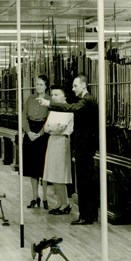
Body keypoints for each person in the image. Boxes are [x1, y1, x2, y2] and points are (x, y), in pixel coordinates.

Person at [39, 74, 98, 225]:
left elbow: (72, 108)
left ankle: (86, 216)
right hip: (83, 147)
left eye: (75, 86)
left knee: (84, 182)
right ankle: (89, 214)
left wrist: (49, 103)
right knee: (85, 181)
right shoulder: (85, 100)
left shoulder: (87, 100)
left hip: (85, 147)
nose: (73, 89)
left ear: (84, 85)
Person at [42, 86, 74, 215]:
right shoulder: (54, 110)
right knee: (52, 174)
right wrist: (51, 128)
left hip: (61, 142)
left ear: (64, 96)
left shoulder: (68, 110)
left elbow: (60, 129)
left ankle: (65, 204)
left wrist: (52, 128)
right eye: (52, 95)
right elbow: (46, 128)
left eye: (56, 95)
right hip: (52, 141)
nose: (53, 97)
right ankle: (59, 202)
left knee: (59, 175)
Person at [22, 75, 50, 209]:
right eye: (36, 84)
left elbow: (49, 121)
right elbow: (24, 117)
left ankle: (45, 197)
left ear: (46, 86)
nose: (37, 86)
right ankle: (35, 197)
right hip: (30, 133)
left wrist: (39, 134)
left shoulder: (50, 100)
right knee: (32, 168)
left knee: (43, 168)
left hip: (42, 135)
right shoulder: (30, 98)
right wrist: (28, 132)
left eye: (40, 84)